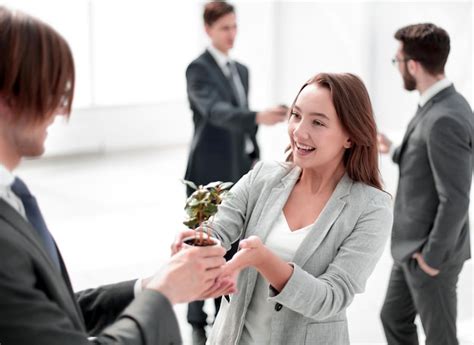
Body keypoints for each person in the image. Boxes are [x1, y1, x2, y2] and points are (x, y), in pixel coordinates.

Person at [0, 6, 234, 344]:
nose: (61, 108)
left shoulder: (14, 196)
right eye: (50, 89)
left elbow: (54, 315)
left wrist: (154, 285)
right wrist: (163, 295)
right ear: (7, 96)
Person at [174, 72, 394, 344]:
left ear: (350, 136)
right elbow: (219, 228)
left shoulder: (371, 208)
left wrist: (264, 260)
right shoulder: (263, 176)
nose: (299, 131)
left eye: (318, 122)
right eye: (296, 115)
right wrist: (197, 245)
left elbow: (332, 298)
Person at [184, 1, 287, 343]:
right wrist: (256, 116)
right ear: (208, 30)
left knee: (231, 240)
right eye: (224, 28)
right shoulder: (197, 70)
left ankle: (220, 309)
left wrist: (253, 155)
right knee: (205, 241)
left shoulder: (241, 69)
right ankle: (197, 314)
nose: (232, 34)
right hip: (208, 168)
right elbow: (216, 112)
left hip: (239, 167)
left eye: (234, 26)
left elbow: (239, 121)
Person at [378, 23, 472, 345]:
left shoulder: (446, 116)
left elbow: (456, 198)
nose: (398, 67)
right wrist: (394, 150)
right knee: (393, 318)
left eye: (398, 61)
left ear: (413, 65)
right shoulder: (436, 104)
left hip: (431, 254)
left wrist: (432, 258)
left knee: (441, 338)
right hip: (411, 248)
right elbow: (427, 155)